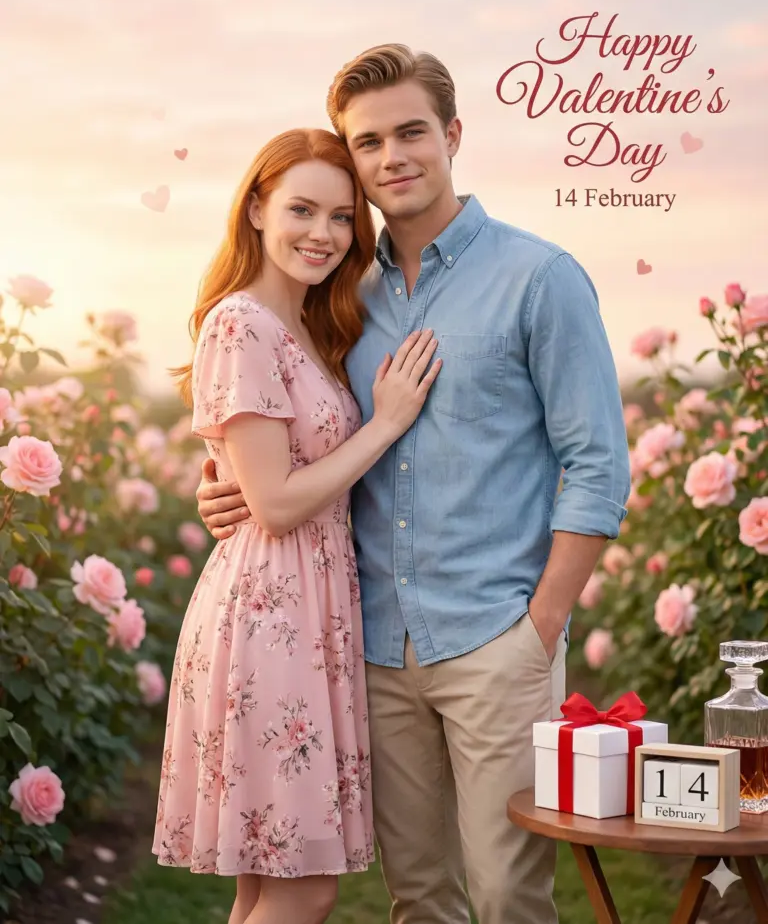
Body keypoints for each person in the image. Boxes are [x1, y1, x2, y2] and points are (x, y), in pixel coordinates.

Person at [196, 45, 631, 924]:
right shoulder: (340, 292)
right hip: (370, 647)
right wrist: (226, 488)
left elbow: (598, 465)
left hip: (494, 640)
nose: (391, 156)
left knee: (509, 893)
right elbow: (285, 427)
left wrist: (538, 628)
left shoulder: (539, 279)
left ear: (453, 135)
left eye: (410, 132)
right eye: (367, 142)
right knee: (420, 897)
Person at [153, 126, 442, 924]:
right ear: (255, 209)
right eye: (302, 210)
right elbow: (276, 502)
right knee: (304, 882)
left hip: (305, 608)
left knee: (267, 882)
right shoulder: (241, 322)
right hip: (270, 613)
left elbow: (259, 476)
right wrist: (382, 426)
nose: (323, 233)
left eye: (343, 217)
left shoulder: (310, 327)